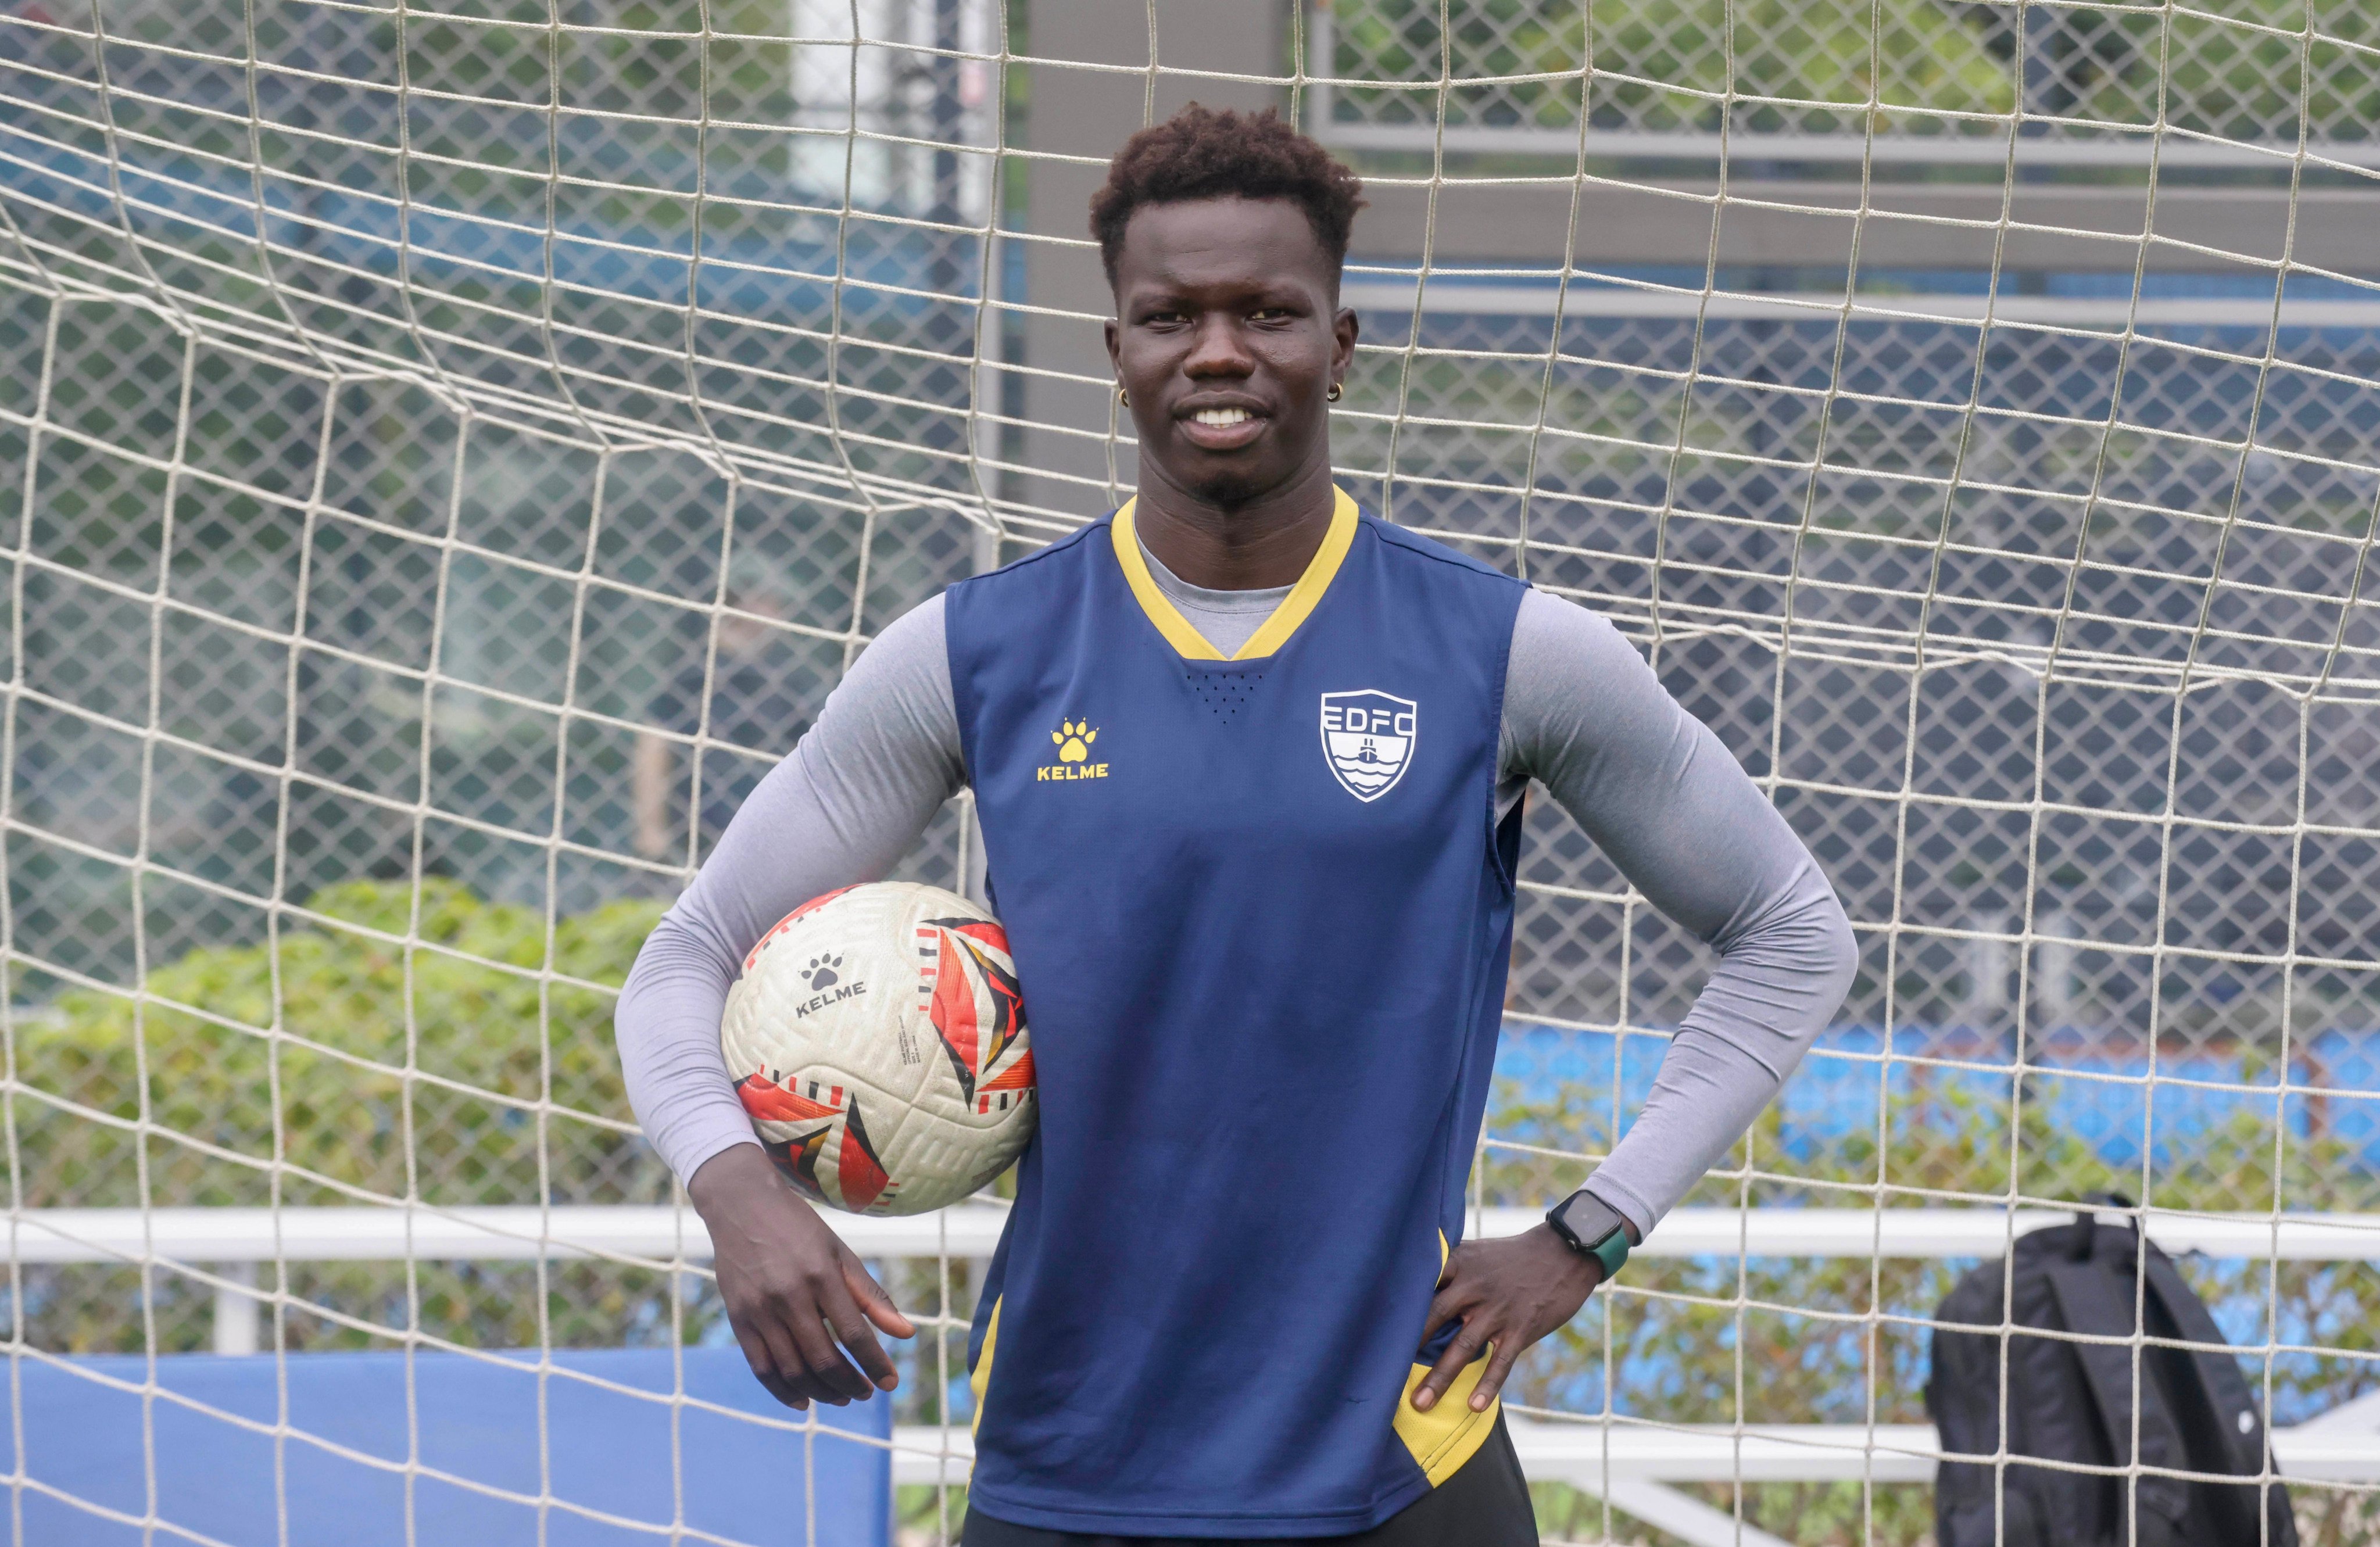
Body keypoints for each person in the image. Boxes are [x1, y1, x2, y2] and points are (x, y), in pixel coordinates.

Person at [615, 106, 1857, 1545]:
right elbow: (685, 959)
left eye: (1268, 311)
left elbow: (1790, 931)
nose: (1218, 350)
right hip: (1070, 1459)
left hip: (1402, 1465)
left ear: (1340, 341)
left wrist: (1589, 1232)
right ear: (1117, 350)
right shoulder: (974, 655)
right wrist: (737, 1192)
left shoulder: (1508, 651)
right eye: (1171, 315)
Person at [633, 555, 813, 863]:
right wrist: (651, 830)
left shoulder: (785, 676)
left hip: (768, 830)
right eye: (771, 604)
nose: (780, 615)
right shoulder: (697, 672)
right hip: (696, 828)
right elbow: (653, 746)